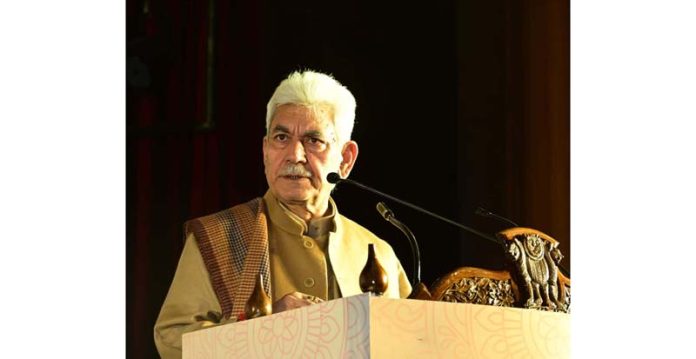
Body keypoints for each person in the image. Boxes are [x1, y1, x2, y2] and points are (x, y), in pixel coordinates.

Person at [153, 70, 412, 358]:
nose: (295, 155)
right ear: (265, 151)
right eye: (281, 137)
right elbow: (173, 342)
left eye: (313, 140)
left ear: (345, 159)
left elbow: (412, 345)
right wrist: (263, 328)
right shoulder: (218, 237)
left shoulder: (378, 254)